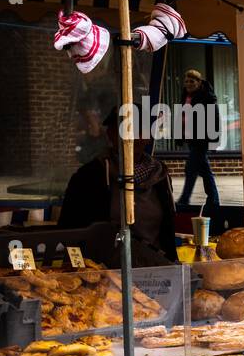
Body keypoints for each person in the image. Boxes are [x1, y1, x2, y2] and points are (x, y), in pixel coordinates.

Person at [59, 108, 178, 266]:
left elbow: (167, 231)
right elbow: (69, 230)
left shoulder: (160, 175)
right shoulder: (90, 175)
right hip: (104, 271)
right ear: (112, 135)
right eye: (126, 129)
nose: (133, 137)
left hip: (155, 270)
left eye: (140, 130)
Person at [174, 68, 221, 216]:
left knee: (191, 168)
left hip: (202, 138)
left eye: (192, 81)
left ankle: (184, 199)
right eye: (187, 81)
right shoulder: (186, 96)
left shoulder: (207, 97)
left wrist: (214, 139)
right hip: (191, 138)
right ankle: (214, 199)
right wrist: (180, 136)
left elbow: (214, 118)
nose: (189, 83)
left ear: (199, 82)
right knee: (204, 170)